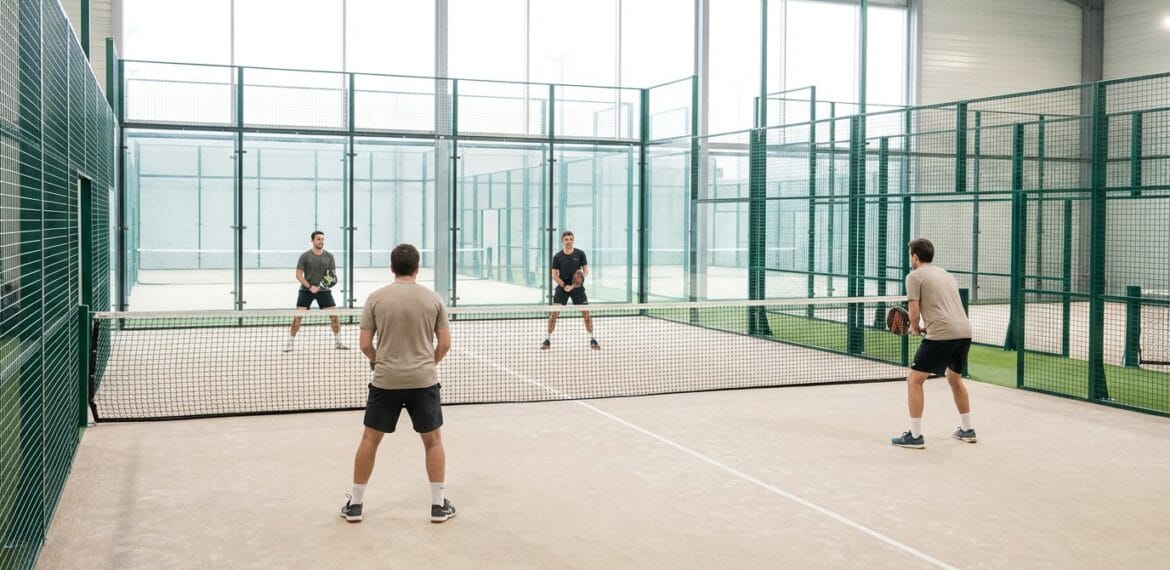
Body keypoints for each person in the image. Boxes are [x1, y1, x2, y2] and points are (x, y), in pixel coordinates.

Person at [341, 243, 455, 524]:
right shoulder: (433, 299)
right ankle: (438, 506)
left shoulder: (376, 298)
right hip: (423, 381)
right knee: (433, 442)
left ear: (392, 267)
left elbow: (365, 344)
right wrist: (427, 365)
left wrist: (380, 362)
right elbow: (446, 344)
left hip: (385, 381)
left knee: (370, 440)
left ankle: (355, 505)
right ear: (417, 268)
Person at [891, 238, 977, 449]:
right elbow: (945, 306)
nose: (910, 258)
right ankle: (967, 430)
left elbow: (914, 309)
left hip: (943, 333)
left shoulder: (914, 276)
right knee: (954, 378)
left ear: (915, 256)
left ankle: (915, 436)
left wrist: (914, 325)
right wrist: (927, 326)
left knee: (914, 380)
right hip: (964, 330)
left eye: (910, 255)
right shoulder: (946, 274)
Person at [283, 230, 348, 352]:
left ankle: (338, 342)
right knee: (298, 317)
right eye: (318, 239)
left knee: (334, 316)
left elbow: (332, 276)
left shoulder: (329, 257)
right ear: (312, 241)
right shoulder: (305, 256)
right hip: (306, 291)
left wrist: (321, 287)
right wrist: (310, 287)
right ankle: (290, 344)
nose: (321, 241)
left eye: (322, 239)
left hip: (323, 291)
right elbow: (298, 275)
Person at [541, 230, 599, 350]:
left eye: (571, 239)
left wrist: (577, 281)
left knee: (586, 314)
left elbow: (586, 270)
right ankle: (547, 339)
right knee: (554, 314)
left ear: (573, 240)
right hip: (562, 288)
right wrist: (564, 286)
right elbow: (554, 275)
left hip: (577, 288)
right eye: (566, 239)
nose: (569, 242)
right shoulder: (557, 256)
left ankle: (593, 339)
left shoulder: (580, 254)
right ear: (562, 240)